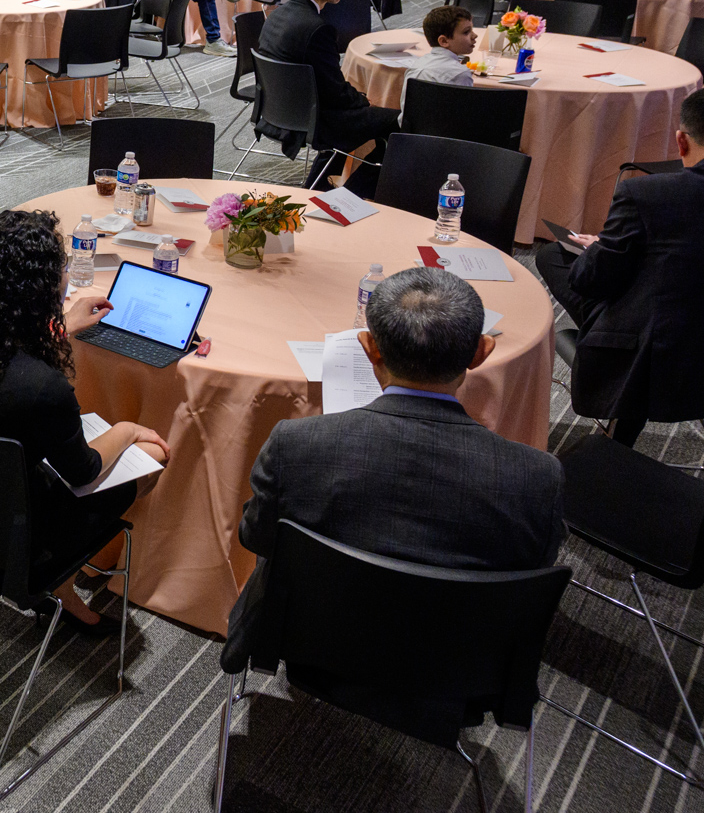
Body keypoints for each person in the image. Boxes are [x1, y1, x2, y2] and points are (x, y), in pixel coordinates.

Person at [223, 268, 565, 672]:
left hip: (310, 647)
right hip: (459, 670)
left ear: (369, 348)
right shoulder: (537, 478)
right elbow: (531, 575)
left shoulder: (296, 445)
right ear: (481, 352)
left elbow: (255, 537)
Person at [0, 209, 170, 630]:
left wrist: (62, 327)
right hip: (8, 540)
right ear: (43, 288)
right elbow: (83, 471)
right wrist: (127, 429)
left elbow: (6, 364)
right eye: (63, 266)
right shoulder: (42, 387)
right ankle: (59, 580)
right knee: (153, 453)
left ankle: (62, 588)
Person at [534, 88, 704, 447]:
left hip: (652, 351)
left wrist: (601, 248)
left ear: (681, 141)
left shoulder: (646, 194)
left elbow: (588, 280)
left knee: (556, 257)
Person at [256, 0, 398, 194]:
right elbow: (335, 93)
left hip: (278, 109)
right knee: (396, 120)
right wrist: (364, 100)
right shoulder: (317, 28)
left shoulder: (276, 15)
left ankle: (321, 187)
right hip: (310, 118)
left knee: (364, 115)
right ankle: (356, 193)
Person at [401, 4, 477, 105]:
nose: (475, 35)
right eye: (466, 32)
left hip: (408, 116)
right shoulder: (460, 74)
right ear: (444, 41)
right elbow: (465, 110)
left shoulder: (419, 63)